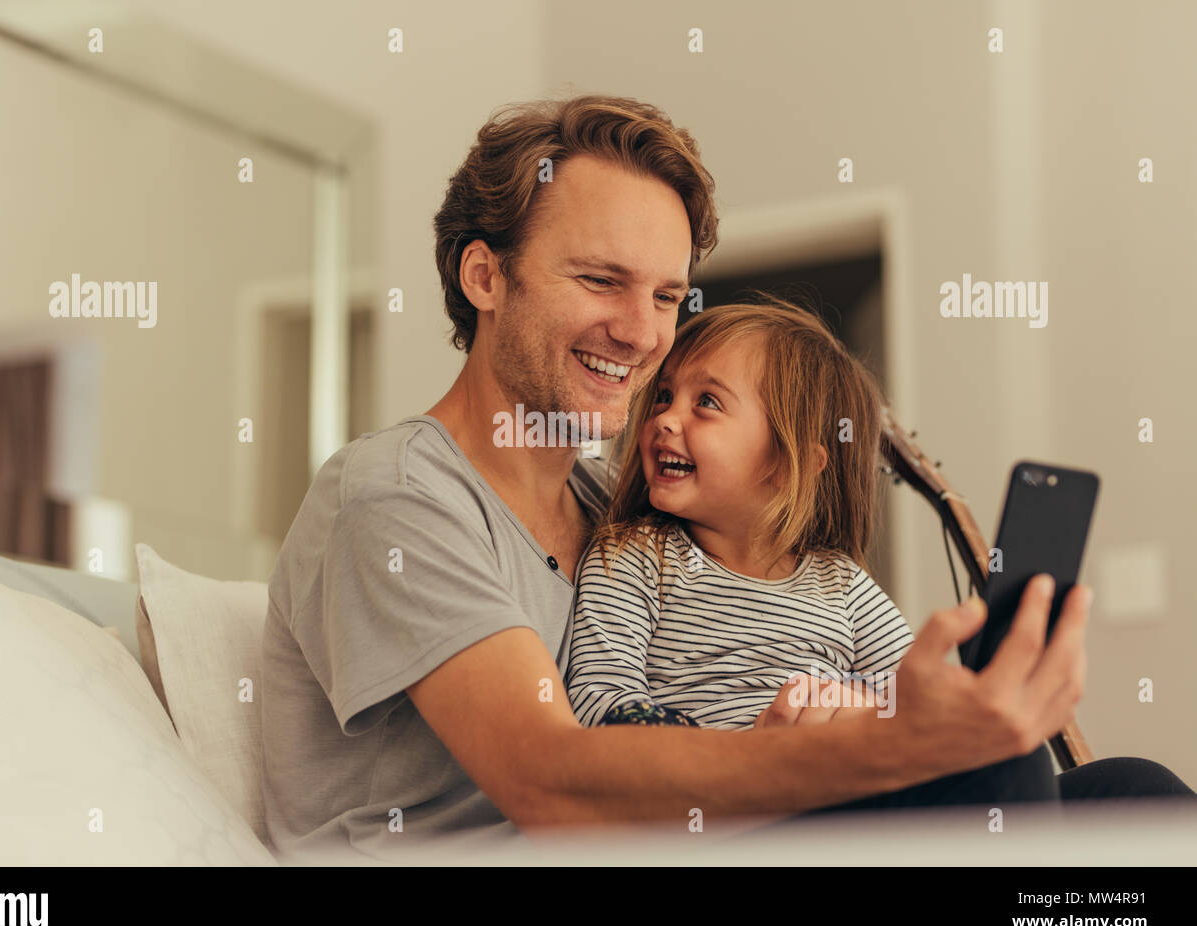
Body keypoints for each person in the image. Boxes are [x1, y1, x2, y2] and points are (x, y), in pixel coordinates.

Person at [258, 94, 1189, 864]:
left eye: (666, 296)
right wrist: (885, 747)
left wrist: (926, 710)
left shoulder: (618, 511)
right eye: (600, 281)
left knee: (1138, 802)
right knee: (991, 786)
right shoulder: (395, 497)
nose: (642, 332)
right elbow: (548, 778)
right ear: (484, 276)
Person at [566, 296, 914, 733]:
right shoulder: (634, 558)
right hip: (706, 793)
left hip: (835, 789)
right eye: (665, 396)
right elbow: (602, 700)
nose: (665, 419)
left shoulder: (841, 584)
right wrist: (745, 755)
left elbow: (923, 701)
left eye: (707, 402)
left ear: (789, 466)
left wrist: (867, 710)